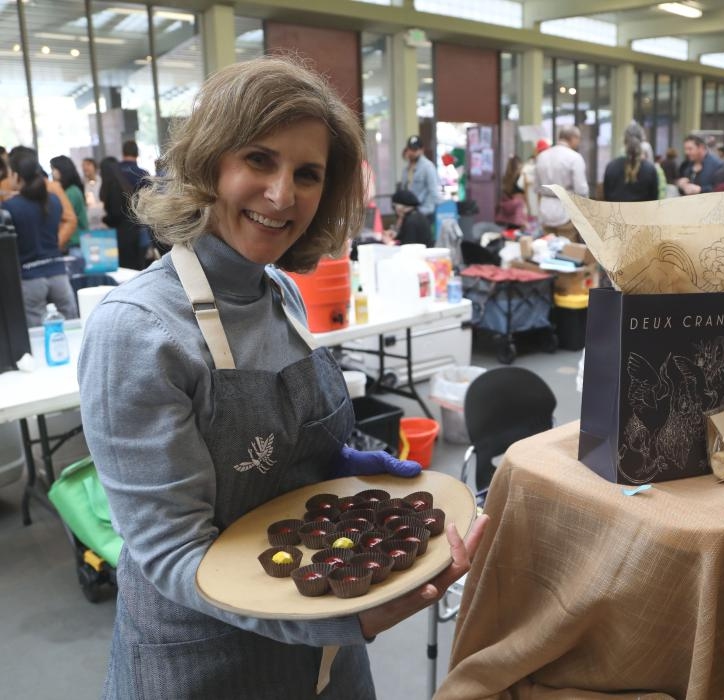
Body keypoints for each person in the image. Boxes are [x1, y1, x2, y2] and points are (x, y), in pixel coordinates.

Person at [77, 57, 488, 699]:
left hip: (326, 639)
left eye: (307, 174)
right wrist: (348, 617)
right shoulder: (138, 330)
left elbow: (282, 456)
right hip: (209, 658)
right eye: (259, 160)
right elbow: (171, 553)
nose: (281, 195)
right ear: (210, 162)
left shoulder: (280, 293)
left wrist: (336, 468)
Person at [2, 147, 78, 325]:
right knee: (72, 326)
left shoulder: (10, 207)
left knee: (37, 333)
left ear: (17, 176)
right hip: (58, 274)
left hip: (30, 278)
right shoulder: (53, 200)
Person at [534, 125, 588, 239]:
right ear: (573, 138)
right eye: (578, 139)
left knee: (548, 245)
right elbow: (581, 190)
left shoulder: (542, 157)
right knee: (567, 246)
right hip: (566, 210)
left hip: (545, 208)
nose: (578, 142)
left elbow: (537, 188)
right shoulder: (575, 157)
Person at [99, 155, 144, 270]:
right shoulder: (122, 184)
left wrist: (104, 219)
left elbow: (116, 215)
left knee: (127, 268)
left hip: (123, 235)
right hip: (132, 231)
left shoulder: (114, 187)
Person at [602, 122, 658, 203]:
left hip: (615, 211)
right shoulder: (650, 170)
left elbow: (606, 197)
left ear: (624, 141)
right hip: (643, 211)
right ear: (641, 142)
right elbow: (654, 201)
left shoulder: (611, 167)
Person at [49, 155, 89, 253]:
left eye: (54, 169)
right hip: (71, 242)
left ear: (62, 170)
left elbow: (60, 214)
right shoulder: (68, 190)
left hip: (74, 242)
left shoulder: (71, 192)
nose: (52, 172)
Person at [400, 135, 440, 224]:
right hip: (408, 213)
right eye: (410, 149)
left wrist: (422, 210)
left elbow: (434, 193)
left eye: (415, 150)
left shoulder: (428, 167)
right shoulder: (406, 169)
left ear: (421, 150)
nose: (412, 152)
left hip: (424, 214)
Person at [496, 155, 528, 228]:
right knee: (520, 229)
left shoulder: (505, 178)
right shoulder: (520, 178)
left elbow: (506, 192)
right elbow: (525, 194)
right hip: (518, 209)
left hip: (508, 209)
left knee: (510, 229)